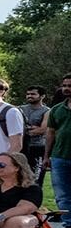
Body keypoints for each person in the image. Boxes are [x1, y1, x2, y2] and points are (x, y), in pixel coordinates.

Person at [48, 74, 71, 215]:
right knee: (62, 195)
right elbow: (50, 133)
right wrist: (46, 156)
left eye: (70, 86)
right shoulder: (56, 109)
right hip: (59, 157)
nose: (66, 88)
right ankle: (68, 226)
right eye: (65, 85)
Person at [19, 86, 51, 181]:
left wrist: (24, 129)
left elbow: (42, 130)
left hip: (38, 148)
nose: (29, 96)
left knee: (36, 178)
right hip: (22, 147)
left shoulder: (47, 111)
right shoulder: (20, 109)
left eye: (33, 94)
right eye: (28, 94)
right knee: (20, 177)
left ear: (42, 96)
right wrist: (31, 128)